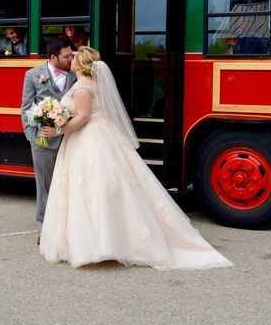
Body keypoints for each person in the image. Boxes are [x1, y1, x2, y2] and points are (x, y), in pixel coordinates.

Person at [39, 46, 233, 271]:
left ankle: (98, 244)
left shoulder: (82, 87)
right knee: (106, 187)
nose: (70, 60)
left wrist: (57, 131)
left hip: (87, 139)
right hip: (98, 136)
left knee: (90, 187)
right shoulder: (93, 85)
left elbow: (82, 117)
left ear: (80, 65)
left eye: (73, 58)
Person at [20, 37, 76, 243]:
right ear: (53, 57)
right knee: (44, 185)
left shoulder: (76, 74)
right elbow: (26, 108)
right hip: (43, 140)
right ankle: (44, 229)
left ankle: (70, 228)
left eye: (72, 54)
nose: (71, 58)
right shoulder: (33, 75)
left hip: (71, 137)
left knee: (71, 183)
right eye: (67, 56)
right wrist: (31, 136)